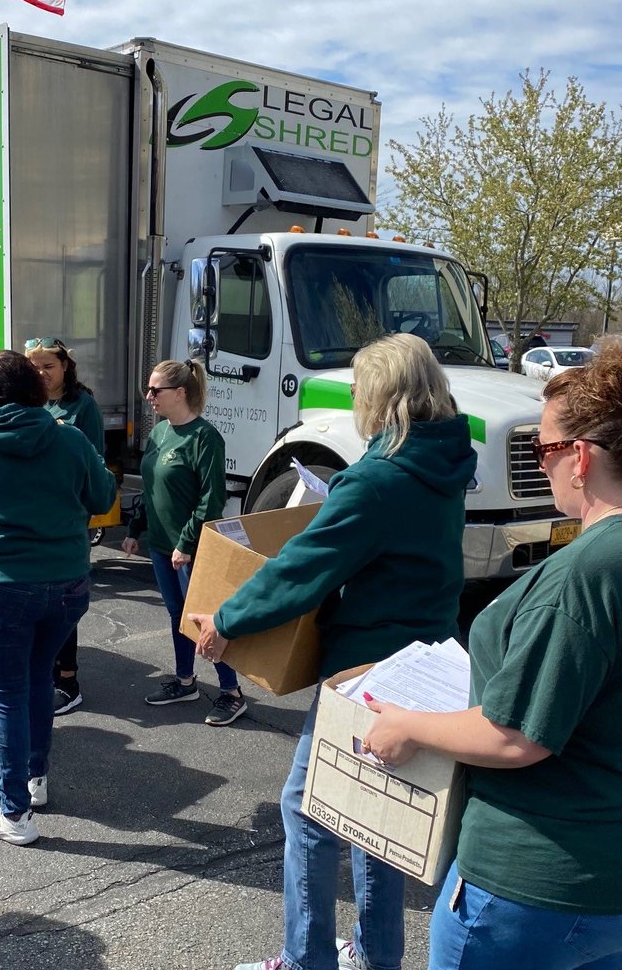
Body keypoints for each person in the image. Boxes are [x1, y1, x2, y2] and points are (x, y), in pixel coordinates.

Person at [361, 342, 622, 970]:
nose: (540, 462)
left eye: (541, 449)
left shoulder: (584, 577)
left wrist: (405, 725)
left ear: (579, 458)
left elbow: (515, 738)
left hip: (543, 884)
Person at [188, 333, 477, 970]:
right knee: (374, 821)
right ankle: (376, 957)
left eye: (358, 390)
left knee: (308, 810)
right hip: (424, 658)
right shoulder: (448, 461)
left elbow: (302, 570)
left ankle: (305, 958)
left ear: (382, 397)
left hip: (367, 666)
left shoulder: (378, 478)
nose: (354, 400)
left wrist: (228, 619)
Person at [0, 350, 116, 845]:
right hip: (67, 584)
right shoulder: (70, 439)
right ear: (35, 389)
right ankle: (35, 782)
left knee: (7, 696)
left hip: (2, 587)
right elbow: (101, 498)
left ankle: (14, 814)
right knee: (36, 681)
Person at [121, 358, 244, 726]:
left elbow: (212, 498)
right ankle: (185, 680)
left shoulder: (205, 438)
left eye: (156, 391)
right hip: (161, 544)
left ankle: (231, 692)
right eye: (149, 389)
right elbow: (151, 487)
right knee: (177, 616)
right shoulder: (159, 434)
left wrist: (187, 542)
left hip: (191, 548)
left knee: (205, 619)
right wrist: (133, 529)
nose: (149, 397)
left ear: (180, 392)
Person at [25, 336, 105, 716]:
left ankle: (68, 681)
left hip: (69, 518)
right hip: (38, 516)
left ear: (65, 368)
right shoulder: (32, 402)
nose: (42, 374)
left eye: (49, 366)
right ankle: (45, 673)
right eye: (35, 367)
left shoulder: (82, 405)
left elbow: (95, 465)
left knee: (62, 600)